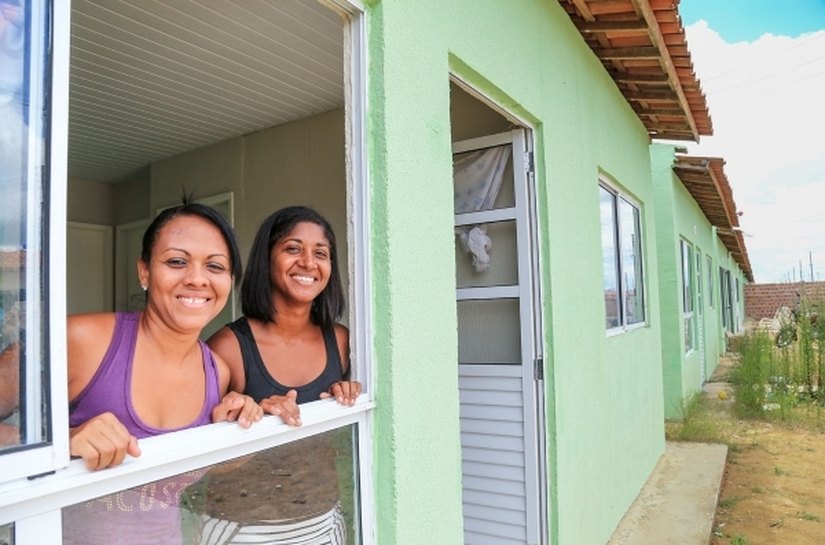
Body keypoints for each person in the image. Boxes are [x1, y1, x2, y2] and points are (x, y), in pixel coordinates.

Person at [63, 200, 263, 545]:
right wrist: (63, 442)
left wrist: (234, 429)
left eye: (215, 266)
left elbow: (173, 482)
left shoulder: (217, 372)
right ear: (144, 271)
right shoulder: (82, 341)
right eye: (176, 262)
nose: (196, 279)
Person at [201, 205, 361, 544]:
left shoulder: (341, 341)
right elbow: (196, 459)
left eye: (321, 253)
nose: (308, 262)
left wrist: (346, 393)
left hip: (324, 521)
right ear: (267, 258)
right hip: (244, 527)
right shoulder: (229, 347)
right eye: (293, 248)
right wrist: (248, 416)